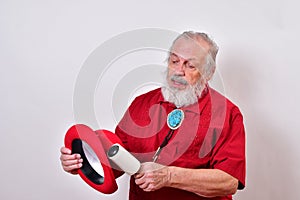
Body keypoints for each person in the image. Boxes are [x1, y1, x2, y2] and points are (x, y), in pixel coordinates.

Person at [60, 31, 246, 200]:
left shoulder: (227, 113)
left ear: (208, 73)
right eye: (174, 61)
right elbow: (119, 162)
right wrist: (84, 161)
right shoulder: (141, 103)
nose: (179, 71)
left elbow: (229, 181)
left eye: (190, 65)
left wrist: (169, 176)